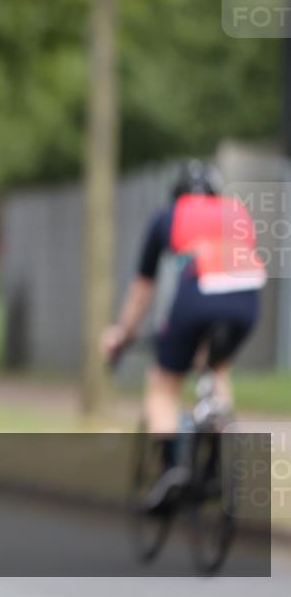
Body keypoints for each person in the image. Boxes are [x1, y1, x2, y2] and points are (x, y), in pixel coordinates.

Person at [101, 159, 265, 512]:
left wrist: (122, 334)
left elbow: (143, 290)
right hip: (248, 300)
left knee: (163, 383)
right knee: (217, 368)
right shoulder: (236, 211)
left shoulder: (167, 216)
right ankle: (218, 449)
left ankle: (171, 472)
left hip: (198, 296)